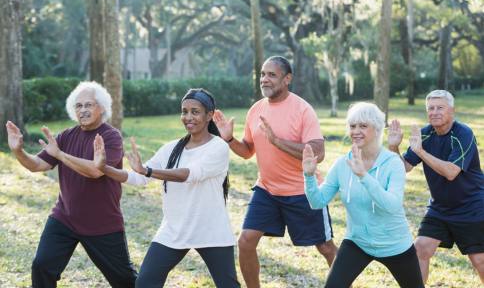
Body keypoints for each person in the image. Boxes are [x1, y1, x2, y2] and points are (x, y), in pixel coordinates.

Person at [92, 88, 240, 288]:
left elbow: (190, 174)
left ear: (209, 116)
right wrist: (104, 168)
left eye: (195, 112)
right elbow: (137, 178)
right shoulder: (171, 148)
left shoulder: (218, 147)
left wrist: (148, 170)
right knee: (145, 284)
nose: (188, 117)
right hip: (174, 229)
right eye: (184, 111)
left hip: (210, 230)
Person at [213, 56, 338, 288]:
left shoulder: (302, 109)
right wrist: (229, 139)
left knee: (325, 247)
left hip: (304, 191)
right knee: (246, 241)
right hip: (268, 190)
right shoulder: (256, 110)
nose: (264, 79)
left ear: (287, 78)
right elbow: (248, 151)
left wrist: (277, 141)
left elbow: (318, 153)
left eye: (271, 75)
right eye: (262, 74)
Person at [5, 81, 137, 287]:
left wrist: (60, 154)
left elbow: (95, 170)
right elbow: (37, 165)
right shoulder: (66, 136)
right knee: (42, 266)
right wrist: (18, 151)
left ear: (101, 108)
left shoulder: (111, 136)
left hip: (102, 222)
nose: (83, 110)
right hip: (64, 218)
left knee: (125, 281)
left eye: (88, 105)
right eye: (78, 106)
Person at [303, 102, 424, 288]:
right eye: (352, 126)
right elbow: (317, 202)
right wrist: (309, 176)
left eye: (363, 126)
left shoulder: (393, 163)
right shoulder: (342, 164)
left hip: (395, 244)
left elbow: (392, 205)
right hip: (357, 242)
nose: (356, 131)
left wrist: (363, 176)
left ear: (376, 129)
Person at [388, 89, 484, 284]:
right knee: (420, 249)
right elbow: (404, 167)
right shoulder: (425, 134)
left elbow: (451, 172)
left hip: (472, 206)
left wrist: (421, 152)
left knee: (479, 260)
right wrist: (393, 147)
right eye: (430, 108)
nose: (434, 112)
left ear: (452, 111)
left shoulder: (463, 133)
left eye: (440, 107)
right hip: (440, 208)